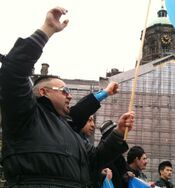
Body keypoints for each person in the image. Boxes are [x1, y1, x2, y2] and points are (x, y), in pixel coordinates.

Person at [0, 7, 134, 188]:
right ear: (43, 92)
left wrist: (118, 132)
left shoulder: (71, 131)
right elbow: (13, 71)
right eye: (63, 90)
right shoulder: (26, 114)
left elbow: (94, 160)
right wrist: (46, 30)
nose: (69, 95)